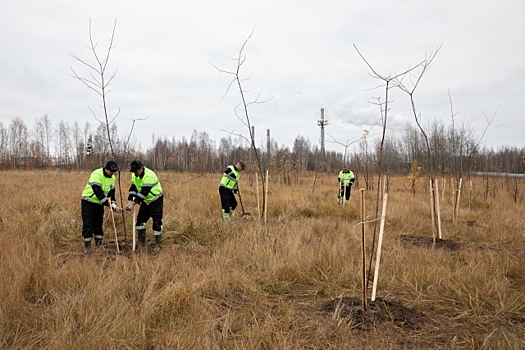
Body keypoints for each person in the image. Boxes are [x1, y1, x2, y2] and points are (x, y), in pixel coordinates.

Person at [81, 160, 120, 254]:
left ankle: (99, 245)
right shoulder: (97, 174)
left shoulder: (112, 178)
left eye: (114, 172)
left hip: (99, 203)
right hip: (88, 201)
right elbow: (97, 191)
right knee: (88, 223)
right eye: (111, 171)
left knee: (98, 223)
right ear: (106, 169)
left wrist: (113, 203)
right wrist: (108, 204)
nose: (112, 173)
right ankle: (87, 247)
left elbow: (111, 193)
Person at [125, 160, 164, 251]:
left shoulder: (150, 175)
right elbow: (133, 188)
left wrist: (133, 204)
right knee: (140, 222)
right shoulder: (134, 175)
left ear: (141, 168)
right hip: (146, 201)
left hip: (155, 200)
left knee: (157, 223)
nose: (135, 173)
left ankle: (157, 245)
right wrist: (130, 199)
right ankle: (141, 242)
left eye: (136, 171)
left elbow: (144, 193)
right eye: (133, 171)